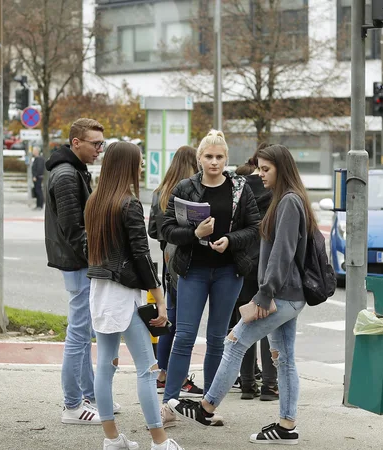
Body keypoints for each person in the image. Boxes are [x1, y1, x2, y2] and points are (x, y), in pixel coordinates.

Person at [168, 144, 316, 445]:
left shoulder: (288, 201)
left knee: (234, 341)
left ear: (281, 169)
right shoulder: (290, 199)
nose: (259, 174)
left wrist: (264, 293)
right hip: (290, 294)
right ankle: (287, 426)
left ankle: (206, 408)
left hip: (281, 294)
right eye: (259, 168)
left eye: (265, 169)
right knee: (284, 359)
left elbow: (282, 253)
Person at [85, 141, 183, 450]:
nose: (140, 167)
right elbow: (141, 256)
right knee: (147, 369)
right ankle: (160, 441)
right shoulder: (127, 204)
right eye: (138, 163)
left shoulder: (95, 201)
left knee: (106, 366)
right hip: (124, 296)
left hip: (100, 292)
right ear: (127, 165)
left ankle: (112, 439)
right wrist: (160, 299)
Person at [159, 129, 261, 416]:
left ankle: (208, 406)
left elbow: (254, 228)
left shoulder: (240, 187)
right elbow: (165, 229)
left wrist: (230, 240)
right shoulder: (185, 187)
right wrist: (195, 233)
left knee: (217, 338)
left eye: (219, 157)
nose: (214, 162)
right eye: (208, 156)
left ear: (226, 158)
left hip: (229, 271)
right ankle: (169, 404)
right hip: (194, 270)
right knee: (185, 336)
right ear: (199, 158)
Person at [44, 118, 110, 425]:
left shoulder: (73, 170)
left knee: (83, 331)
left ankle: (90, 396)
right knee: (79, 334)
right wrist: (96, 257)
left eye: (102, 143)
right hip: (78, 262)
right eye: (95, 143)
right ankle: (72, 405)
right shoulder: (68, 175)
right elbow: (73, 229)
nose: (100, 149)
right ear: (76, 143)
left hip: (76, 261)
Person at [147, 146, 204, 400]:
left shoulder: (160, 191)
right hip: (186, 257)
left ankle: (162, 373)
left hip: (166, 256)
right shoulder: (191, 191)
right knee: (183, 321)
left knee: (170, 315)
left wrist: (165, 237)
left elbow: (151, 229)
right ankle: (179, 377)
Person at [229, 144, 276, 400]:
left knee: (245, 320)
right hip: (269, 263)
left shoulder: (239, 186)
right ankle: (270, 385)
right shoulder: (277, 189)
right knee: (270, 322)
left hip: (243, 261)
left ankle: (247, 383)